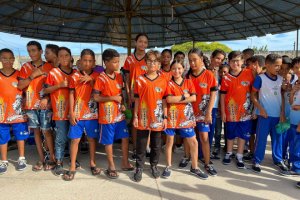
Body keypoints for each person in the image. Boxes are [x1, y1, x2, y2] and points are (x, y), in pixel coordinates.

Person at [162, 60, 207, 179]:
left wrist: (177, 99)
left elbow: (193, 98)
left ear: (183, 69)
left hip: (186, 118)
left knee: (194, 142)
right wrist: (183, 97)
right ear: (170, 70)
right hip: (171, 118)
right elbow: (168, 100)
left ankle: (195, 167)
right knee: (169, 142)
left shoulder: (188, 82)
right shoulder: (168, 83)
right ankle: (168, 166)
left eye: (179, 68)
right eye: (174, 69)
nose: (176, 71)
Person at [94, 49, 133, 179]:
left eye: (118, 62)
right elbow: (96, 98)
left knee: (125, 137)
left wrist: (122, 104)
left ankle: (125, 162)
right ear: (106, 62)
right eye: (114, 62)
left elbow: (120, 94)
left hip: (119, 115)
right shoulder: (101, 78)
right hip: (107, 116)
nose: (117, 65)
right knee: (109, 141)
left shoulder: (119, 76)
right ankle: (111, 166)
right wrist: (112, 98)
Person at [62, 49, 100, 181]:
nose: (87, 63)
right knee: (75, 140)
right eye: (85, 60)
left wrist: (91, 80)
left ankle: (92, 163)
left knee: (91, 139)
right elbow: (71, 94)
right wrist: (71, 112)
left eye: (90, 61)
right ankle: (72, 166)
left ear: (94, 62)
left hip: (92, 114)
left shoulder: (98, 76)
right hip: (77, 114)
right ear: (80, 61)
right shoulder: (74, 76)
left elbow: (101, 91)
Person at [17, 41, 55, 171]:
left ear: (40, 52)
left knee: (47, 131)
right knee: (37, 132)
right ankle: (41, 158)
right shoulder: (25, 67)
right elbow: (20, 86)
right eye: (29, 51)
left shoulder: (49, 67)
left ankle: (52, 158)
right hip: (30, 106)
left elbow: (52, 87)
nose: (31, 53)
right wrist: (32, 76)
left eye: (34, 50)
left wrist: (46, 98)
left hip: (44, 105)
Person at [251, 54, 290, 175]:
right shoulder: (260, 78)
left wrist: (282, 113)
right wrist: (260, 109)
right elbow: (253, 95)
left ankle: (278, 160)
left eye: (280, 65)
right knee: (261, 138)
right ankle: (257, 160)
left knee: (278, 139)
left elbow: (281, 97)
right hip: (265, 116)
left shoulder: (280, 79)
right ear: (267, 65)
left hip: (278, 116)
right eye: (276, 65)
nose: (279, 68)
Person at [132, 50, 167, 182]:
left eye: (155, 61)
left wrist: (165, 117)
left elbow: (164, 101)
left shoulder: (163, 80)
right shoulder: (140, 79)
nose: (152, 63)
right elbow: (136, 99)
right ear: (145, 62)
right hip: (143, 116)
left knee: (156, 144)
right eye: (150, 60)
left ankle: (154, 165)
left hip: (157, 117)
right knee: (141, 144)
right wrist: (135, 116)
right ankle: (139, 167)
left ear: (159, 64)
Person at [44, 47, 76, 176]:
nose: (64, 58)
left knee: (73, 137)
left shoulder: (75, 73)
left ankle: (74, 159)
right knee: (60, 138)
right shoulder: (53, 73)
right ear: (57, 58)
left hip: (74, 112)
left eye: (66, 55)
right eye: (61, 56)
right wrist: (59, 85)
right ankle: (59, 161)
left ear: (70, 57)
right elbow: (45, 90)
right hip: (60, 112)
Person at [186, 48, 218, 177]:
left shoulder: (209, 74)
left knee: (204, 138)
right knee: (188, 138)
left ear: (201, 59)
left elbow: (213, 95)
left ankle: (207, 162)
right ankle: (187, 157)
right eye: (190, 61)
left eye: (195, 60)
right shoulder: (187, 76)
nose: (192, 63)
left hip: (204, 113)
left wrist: (209, 112)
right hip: (189, 114)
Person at [220, 51, 254, 169]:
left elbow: (255, 92)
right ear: (229, 62)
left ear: (243, 61)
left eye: (238, 60)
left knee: (243, 135)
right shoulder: (226, 78)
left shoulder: (249, 73)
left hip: (246, 112)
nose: (236, 63)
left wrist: (255, 110)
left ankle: (239, 155)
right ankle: (229, 153)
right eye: (233, 61)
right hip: (231, 113)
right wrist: (223, 112)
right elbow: (222, 96)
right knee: (230, 134)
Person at [0, 48, 29, 174]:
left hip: (18, 112)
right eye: (4, 58)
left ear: (13, 59)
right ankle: (4, 160)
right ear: (0, 59)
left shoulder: (19, 75)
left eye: (10, 58)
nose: (7, 60)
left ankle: (21, 158)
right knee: (2, 137)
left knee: (20, 136)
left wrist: (26, 108)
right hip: (2, 112)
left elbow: (26, 93)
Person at [123, 33, 148, 159]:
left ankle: (145, 147)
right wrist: (128, 94)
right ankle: (134, 148)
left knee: (146, 120)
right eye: (140, 41)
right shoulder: (129, 59)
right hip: (133, 95)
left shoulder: (149, 58)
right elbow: (127, 79)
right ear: (136, 43)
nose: (142, 44)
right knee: (134, 120)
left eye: (145, 42)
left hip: (147, 94)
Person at [205, 49, 225, 159]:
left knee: (211, 132)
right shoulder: (205, 71)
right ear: (212, 56)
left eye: (221, 60)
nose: (219, 61)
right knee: (203, 133)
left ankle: (207, 153)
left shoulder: (218, 73)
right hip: (205, 106)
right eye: (217, 58)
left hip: (215, 107)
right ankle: (201, 154)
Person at [288, 59, 300, 188]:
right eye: (296, 68)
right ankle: (295, 166)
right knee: (294, 144)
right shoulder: (296, 82)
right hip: (293, 120)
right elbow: (291, 102)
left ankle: (297, 167)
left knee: (298, 146)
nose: (298, 70)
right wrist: (292, 92)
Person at [213, 64, 229, 156]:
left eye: (225, 72)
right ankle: (217, 146)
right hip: (218, 110)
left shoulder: (230, 82)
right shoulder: (217, 82)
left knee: (227, 129)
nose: (223, 74)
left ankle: (227, 147)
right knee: (218, 130)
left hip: (228, 110)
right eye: (221, 72)